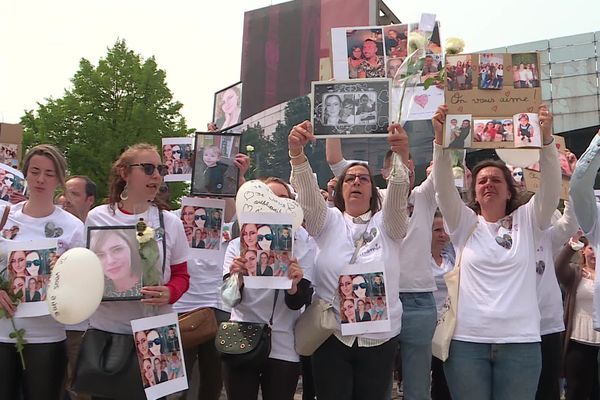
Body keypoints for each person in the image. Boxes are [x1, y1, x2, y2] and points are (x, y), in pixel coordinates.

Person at [431, 104, 560, 400]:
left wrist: (547, 139)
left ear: (509, 190)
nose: (488, 184)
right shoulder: (463, 223)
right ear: (474, 192)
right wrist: (440, 142)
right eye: (482, 181)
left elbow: (551, 189)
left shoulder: (529, 221)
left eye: (496, 180)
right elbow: (443, 190)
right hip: (466, 344)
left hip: (521, 344)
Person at [289, 120, 410, 400]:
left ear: (373, 190)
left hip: (379, 338)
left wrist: (401, 154)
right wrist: (297, 153)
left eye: (364, 178)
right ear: (340, 189)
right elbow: (308, 195)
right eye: (350, 178)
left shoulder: (389, 224)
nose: (356, 181)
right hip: (332, 335)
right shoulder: (327, 220)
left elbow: (398, 195)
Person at [80, 143, 189, 399]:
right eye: (148, 168)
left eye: (160, 169)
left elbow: (182, 275)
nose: (156, 175)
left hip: (157, 332)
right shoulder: (98, 217)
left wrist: (169, 292)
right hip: (108, 331)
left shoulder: (170, 222)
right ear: (125, 173)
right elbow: (83, 269)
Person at [0, 144, 84, 400]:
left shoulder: (73, 227)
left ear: (59, 179)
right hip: (2, 332)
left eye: (49, 173)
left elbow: (80, 282)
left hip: (47, 336)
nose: (40, 179)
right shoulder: (4, 216)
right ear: (25, 172)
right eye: (35, 171)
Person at [222, 175, 316, 400]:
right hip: (242, 336)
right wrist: (238, 278)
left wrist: (294, 286)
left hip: (283, 340)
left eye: (283, 199)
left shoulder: (303, 247)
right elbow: (228, 299)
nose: (276, 205)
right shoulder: (238, 246)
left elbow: (297, 303)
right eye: (269, 199)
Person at [430, 211, 454, 400]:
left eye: (444, 230)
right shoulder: (420, 260)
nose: (442, 234)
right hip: (426, 325)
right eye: (437, 230)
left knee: (444, 379)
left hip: (447, 327)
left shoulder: (451, 258)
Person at [90, 228, 143, 298]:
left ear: (131, 248)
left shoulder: (149, 283)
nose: (110, 261)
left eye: (117, 250)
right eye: (100, 255)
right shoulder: (96, 292)